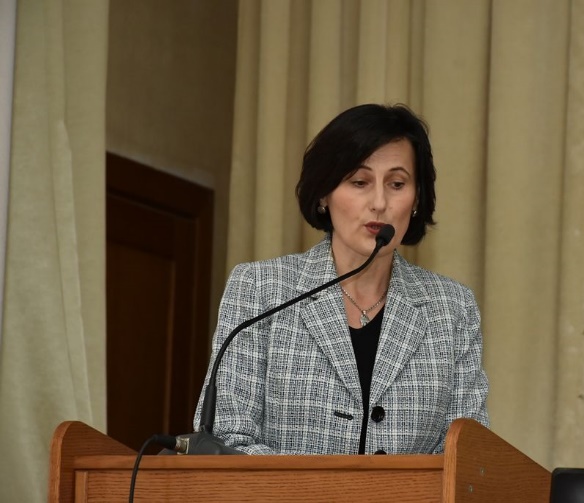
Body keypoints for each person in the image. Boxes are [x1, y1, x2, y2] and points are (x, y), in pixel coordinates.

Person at [193, 103, 488, 455]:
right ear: (324, 193)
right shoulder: (260, 288)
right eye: (359, 182)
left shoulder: (453, 309)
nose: (379, 202)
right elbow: (225, 441)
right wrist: (331, 483)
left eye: (397, 184)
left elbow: (467, 461)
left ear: (416, 199)